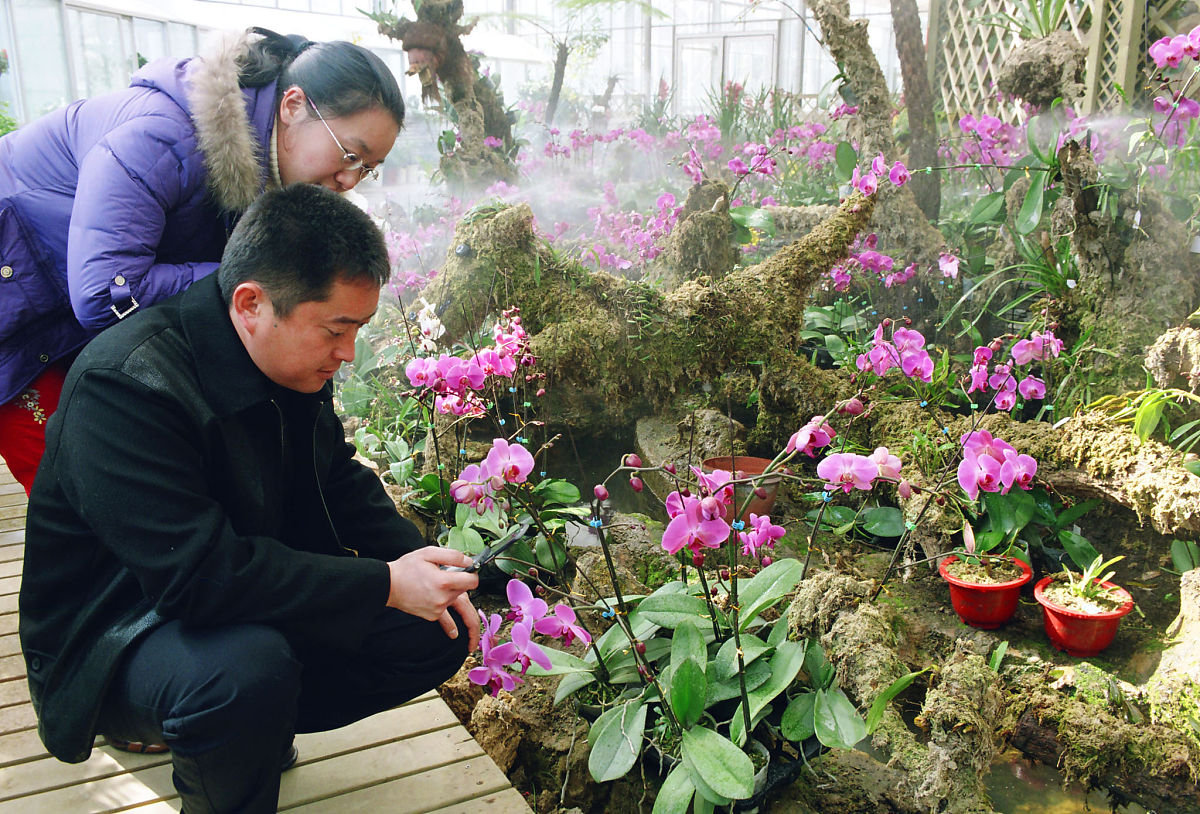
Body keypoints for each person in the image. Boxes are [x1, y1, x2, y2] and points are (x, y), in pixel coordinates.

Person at [18, 183, 480, 813]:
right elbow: (198, 578)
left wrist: (432, 568)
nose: (347, 355)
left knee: (435, 630)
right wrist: (382, 584)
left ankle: (245, 735)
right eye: (336, 331)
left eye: (358, 331)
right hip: (118, 633)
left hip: (236, 593)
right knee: (242, 676)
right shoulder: (125, 386)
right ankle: (211, 742)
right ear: (251, 303)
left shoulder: (286, 359)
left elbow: (337, 481)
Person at [0, 27, 404, 494]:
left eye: (367, 169)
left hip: (71, 316)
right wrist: (247, 284)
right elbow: (104, 294)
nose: (350, 179)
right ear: (293, 106)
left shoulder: (266, 163)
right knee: (84, 486)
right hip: (22, 321)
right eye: (351, 154)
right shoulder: (165, 136)